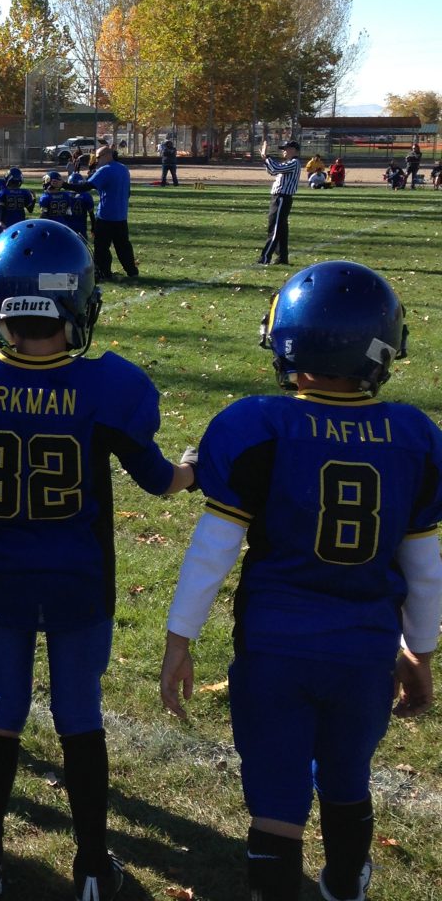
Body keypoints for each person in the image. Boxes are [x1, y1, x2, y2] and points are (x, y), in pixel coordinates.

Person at [0, 219, 197, 901]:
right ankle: (91, 868)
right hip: (80, 580)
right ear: (74, 300)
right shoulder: (109, 386)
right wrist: (193, 470)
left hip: (1, 582)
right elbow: (158, 479)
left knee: (0, 708)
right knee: (81, 714)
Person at [160, 260, 442, 901]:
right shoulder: (414, 438)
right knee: (347, 776)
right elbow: (425, 571)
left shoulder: (256, 427)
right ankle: (345, 883)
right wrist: (418, 653)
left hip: (275, 647)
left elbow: (213, 551)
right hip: (363, 651)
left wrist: (181, 638)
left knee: (277, 796)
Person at [87, 144, 137, 280]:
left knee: (101, 247)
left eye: (98, 157)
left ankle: (104, 272)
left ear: (107, 156)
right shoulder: (123, 169)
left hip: (105, 216)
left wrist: (63, 185)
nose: (97, 160)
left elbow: (86, 186)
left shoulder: (105, 170)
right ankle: (132, 271)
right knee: (123, 246)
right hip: (121, 216)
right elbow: (128, 193)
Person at [258, 140, 300, 266]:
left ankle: (265, 257)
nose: (283, 151)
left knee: (274, 228)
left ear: (293, 150)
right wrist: (265, 160)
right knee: (281, 229)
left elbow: (276, 168)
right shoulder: (288, 163)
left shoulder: (294, 163)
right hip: (279, 198)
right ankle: (282, 258)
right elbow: (273, 171)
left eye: (286, 149)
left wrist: (267, 156)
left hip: (282, 198)